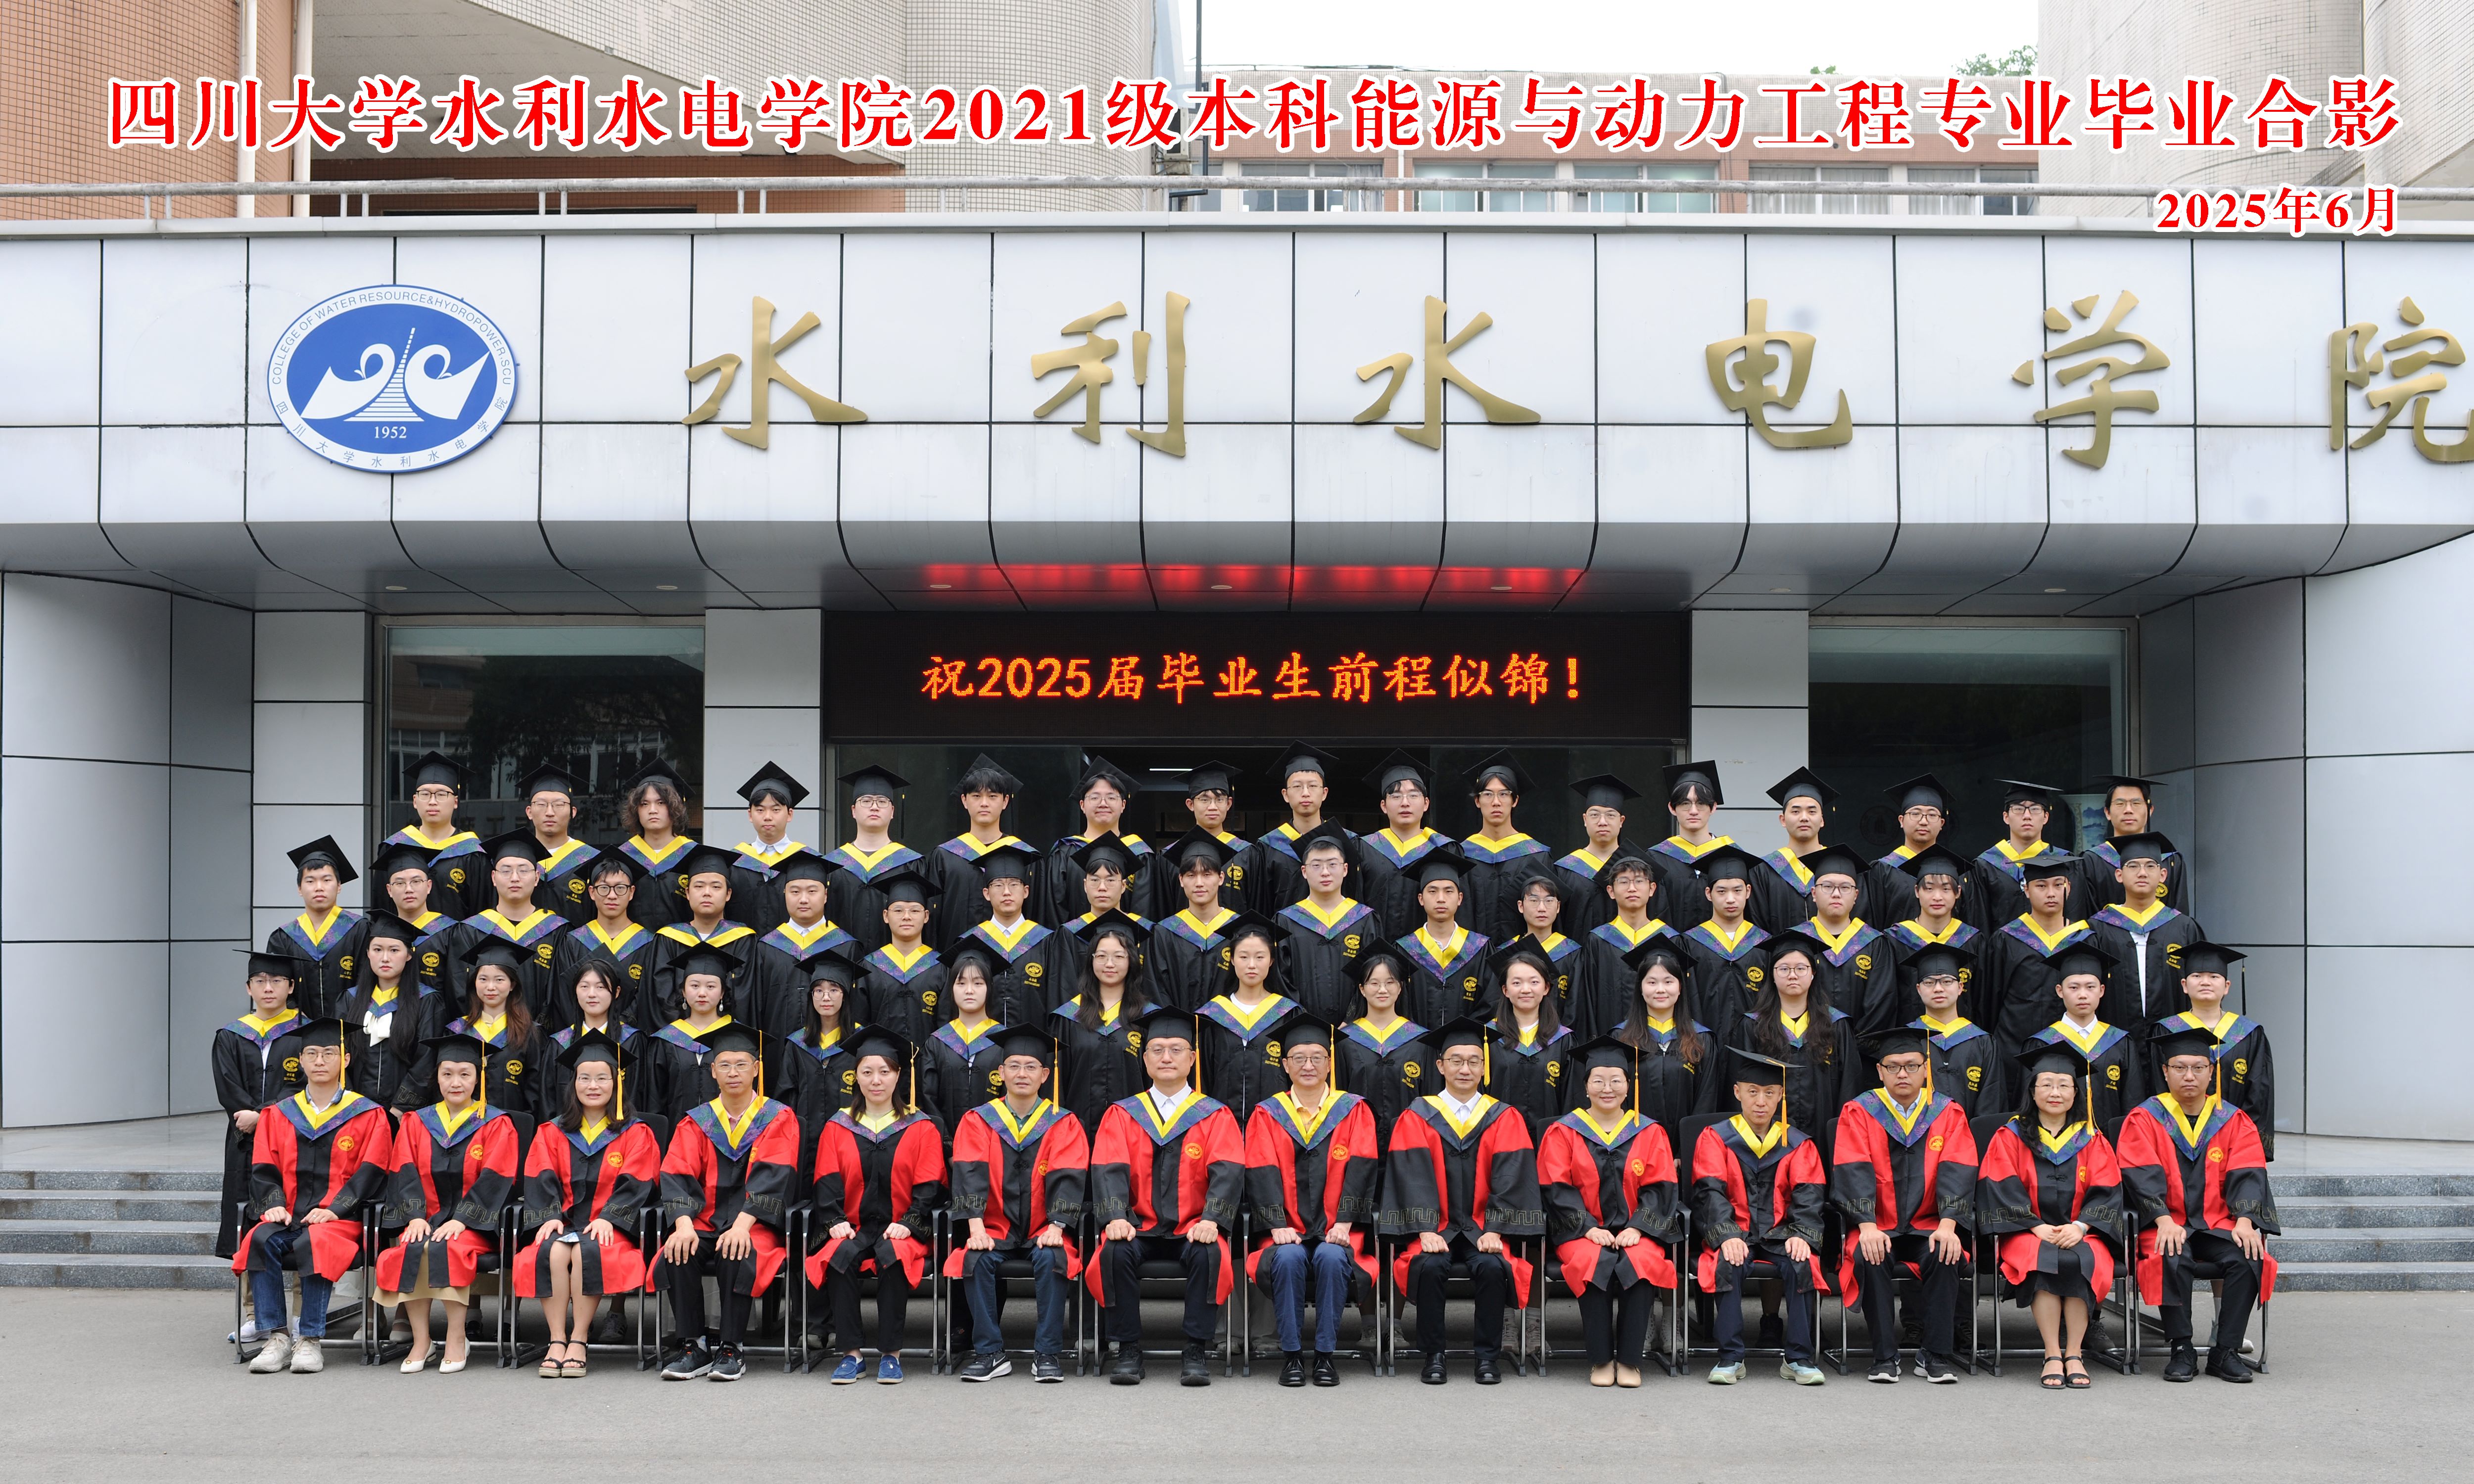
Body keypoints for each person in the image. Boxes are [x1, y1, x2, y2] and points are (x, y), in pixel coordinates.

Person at [1381, 1015, 1545, 1385]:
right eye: (1456, 1061)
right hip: (1435, 1228)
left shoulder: (1504, 1117)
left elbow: (1512, 1177)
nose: (1465, 1069)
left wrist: (1496, 1230)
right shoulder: (1417, 1115)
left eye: (1473, 1061)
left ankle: (1487, 1358)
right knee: (1430, 1267)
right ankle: (1434, 1356)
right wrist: (1425, 1229)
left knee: (1492, 1267)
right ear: (1441, 1066)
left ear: (1484, 1068)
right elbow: (1411, 1174)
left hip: (1482, 1228)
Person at [1090, 1006, 1246, 1385]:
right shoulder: (1123, 1114)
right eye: (1157, 1050)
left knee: (1209, 1253)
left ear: (1192, 1059)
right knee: (1114, 1252)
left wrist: (1212, 1219)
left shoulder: (1214, 1115)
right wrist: (1116, 1217)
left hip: (1194, 1226)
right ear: (1144, 1060)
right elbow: (1108, 1167)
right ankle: (1128, 1349)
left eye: (1176, 1049)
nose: (1166, 1057)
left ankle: (1196, 1349)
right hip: (1138, 1227)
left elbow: (1228, 1170)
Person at [2115, 1023, 2280, 1382]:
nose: (2189, 1076)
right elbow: (2138, 1173)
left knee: (2248, 1256)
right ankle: (2182, 1348)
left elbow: (2249, 1171)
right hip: (2167, 1222)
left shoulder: (2233, 1120)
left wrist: (2246, 1220)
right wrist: (2162, 1219)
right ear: (2165, 1072)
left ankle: (2226, 1350)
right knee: (2170, 1253)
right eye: (2180, 1067)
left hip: (2218, 1223)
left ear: (2211, 1071)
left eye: (2198, 1067)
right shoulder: (2145, 1119)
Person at [236, 1015, 395, 1375]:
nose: (320, 1061)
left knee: (316, 1240)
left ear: (345, 1059)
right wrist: (274, 1204)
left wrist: (336, 1209)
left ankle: (309, 1339)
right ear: (301, 1060)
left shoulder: (368, 1115)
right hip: (290, 1214)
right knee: (260, 1238)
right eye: (312, 1054)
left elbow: (373, 1171)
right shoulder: (279, 1114)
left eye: (329, 1053)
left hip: (341, 1221)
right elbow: (263, 1167)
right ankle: (277, 1337)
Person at [1975, 1040, 2128, 1391]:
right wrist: (2035, 1226)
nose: (2055, 1092)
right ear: (2032, 1091)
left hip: (2083, 1231)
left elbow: (2108, 1187)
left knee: (2079, 1260)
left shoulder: (2091, 1138)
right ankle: (2052, 1353)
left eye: (2063, 1085)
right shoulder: (2010, 1136)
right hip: (2026, 1232)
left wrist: (2081, 1226)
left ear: (2076, 1093)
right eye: (2046, 1084)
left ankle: (2074, 1353)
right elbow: (1999, 1184)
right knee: (2045, 1261)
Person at [1829, 1027, 1978, 1384]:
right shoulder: (1860, 1111)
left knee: (1947, 1254)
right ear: (1879, 1071)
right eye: (1893, 1067)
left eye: (1912, 1066)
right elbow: (1852, 1168)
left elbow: (1958, 1168)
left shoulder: (1947, 1112)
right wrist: (1867, 1225)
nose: (1903, 1074)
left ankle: (1935, 1355)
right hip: (1877, 1224)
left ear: (1926, 1069)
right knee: (1870, 1256)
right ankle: (1884, 1356)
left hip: (1929, 1225)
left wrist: (1949, 1225)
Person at [657, 1021, 801, 1381]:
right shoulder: (698, 1121)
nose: (733, 1072)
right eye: (724, 1065)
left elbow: (775, 1175)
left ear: (757, 1068)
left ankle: (731, 1347)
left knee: (737, 1249)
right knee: (678, 1249)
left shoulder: (777, 1117)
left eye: (741, 1064)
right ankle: (693, 1346)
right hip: (704, 1220)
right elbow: (677, 1172)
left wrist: (741, 1226)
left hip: (756, 1224)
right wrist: (683, 1225)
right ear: (713, 1072)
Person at [514, 1029, 662, 1379]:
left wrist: (610, 1217)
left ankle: (579, 1339)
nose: (593, 1086)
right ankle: (556, 1339)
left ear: (616, 1083)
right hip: (564, 1223)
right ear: (574, 1083)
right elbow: (539, 1174)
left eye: (602, 1078)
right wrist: (549, 1216)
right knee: (551, 1250)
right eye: (584, 1078)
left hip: (610, 1228)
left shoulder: (636, 1132)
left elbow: (639, 1180)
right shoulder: (552, 1131)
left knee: (585, 1250)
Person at [1244, 1011, 1380, 1387]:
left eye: (1317, 1057)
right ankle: (1292, 1356)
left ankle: (1324, 1356)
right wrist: (1277, 1225)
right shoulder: (1267, 1114)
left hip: (1339, 1229)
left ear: (1329, 1063)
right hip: (1285, 1230)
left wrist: (1345, 1223)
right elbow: (1260, 1169)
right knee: (1288, 1258)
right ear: (1285, 1065)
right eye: (1299, 1058)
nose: (1308, 1066)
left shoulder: (1354, 1110)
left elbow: (1362, 1167)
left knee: (1332, 1257)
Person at [1538, 1035, 1682, 1388]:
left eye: (1616, 1081)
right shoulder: (1563, 1132)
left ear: (1628, 1086)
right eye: (1598, 1081)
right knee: (1592, 1260)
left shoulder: (1649, 1131)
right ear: (1586, 1086)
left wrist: (1639, 1227)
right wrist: (1588, 1228)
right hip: (1581, 1231)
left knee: (1642, 1259)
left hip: (1637, 1229)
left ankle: (1631, 1360)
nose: (1607, 1089)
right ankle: (1601, 1359)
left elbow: (1661, 1185)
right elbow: (1555, 1186)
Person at [375, 1030, 522, 1374]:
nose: (456, 1082)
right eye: (448, 1074)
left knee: (448, 1247)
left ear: (477, 1078)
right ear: (437, 1077)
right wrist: (415, 1216)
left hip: (475, 1225)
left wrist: (462, 1219)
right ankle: (422, 1341)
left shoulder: (497, 1124)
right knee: (410, 1247)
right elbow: (404, 1170)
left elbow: (497, 1178)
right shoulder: (416, 1122)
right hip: (427, 1219)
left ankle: (457, 1337)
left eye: (465, 1074)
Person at [948, 1024, 1089, 1382]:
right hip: (995, 1227)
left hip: (1045, 1228)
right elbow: (969, 1172)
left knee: (1053, 1258)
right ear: (1001, 1073)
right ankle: (990, 1353)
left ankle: (1048, 1353)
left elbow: (1069, 1175)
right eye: (1014, 1066)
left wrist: (1057, 1226)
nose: (1022, 1073)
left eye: (1030, 1067)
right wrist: (976, 1227)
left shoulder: (1063, 1122)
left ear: (1045, 1075)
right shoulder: (978, 1120)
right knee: (975, 1258)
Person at [805, 1025, 945, 1384]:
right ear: (856, 1077)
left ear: (898, 1075)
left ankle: (890, 1355)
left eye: (884, 1071)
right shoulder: (839, 1126)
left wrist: (911, 1222)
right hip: (854, 1224)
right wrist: (834, 1220)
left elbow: (930, 1183)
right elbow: (825, 1178)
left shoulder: (921, 1127)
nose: (876, 1080)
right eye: (867, 1072)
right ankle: (851, 1355)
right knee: (839, 1254)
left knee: (893, 1255)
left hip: (902, 1225)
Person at [1691, 1047, 1828, 1386]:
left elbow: (1809, 1194)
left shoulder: (1798, 1143)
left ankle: (1799, 1358)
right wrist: (1727, 1235)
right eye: (1753, 1092)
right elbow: (1709, 1191)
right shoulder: (1716, 1138)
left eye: (1769, 1093)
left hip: (1781, 1233)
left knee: (1801, 1262)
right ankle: (1731, 1357)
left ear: (1781, 1095)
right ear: (1737, 1092)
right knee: (1728, 1262)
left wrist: (1802, 1234)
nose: (1761, 1101)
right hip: (1736, 1230)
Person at [214, 947, 310, 1262]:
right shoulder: (231, 1035)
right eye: (260, 981)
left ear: (291, 986)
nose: (268, 988)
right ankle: (249, 1289)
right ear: (248, 988)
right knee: (245, 1209)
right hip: (245, 1136)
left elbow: (306, 1083)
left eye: (277, 981)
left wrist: (263, 1115)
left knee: (296, 1204)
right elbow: (228, 1084)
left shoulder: (307, 1033)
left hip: (294, 1133)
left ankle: (298, 1288)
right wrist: (250, 1116)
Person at [1723, 930, 1858, 1144]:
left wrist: (1842, 1139)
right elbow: (1739, 1085)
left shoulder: (1836, 1025)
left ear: (1813, 973)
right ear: (1772, 975)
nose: (1792, 975)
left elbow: (1849, 1084)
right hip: (1767, 1136)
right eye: (1784, 969)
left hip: (1825, 1134)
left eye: (1801, 969)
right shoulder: (1752, 1025)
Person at [2148, 941, 2275, 1159]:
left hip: (2235, 1142)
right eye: (2197, 976)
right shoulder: (2166, 1030)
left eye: (2214, 976)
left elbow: (2259, 1095)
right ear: (2184, 985)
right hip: (2176, 1140)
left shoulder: (2249, 1034)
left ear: (2227, 986)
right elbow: (2157, 1087)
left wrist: (2246, 1143)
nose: (2205, 982)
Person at [398, 939, 547, 1117]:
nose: (490, 987)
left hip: (511, 1125)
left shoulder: (530, 1033)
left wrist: (524, 1126)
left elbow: (535, 1091)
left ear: (512, 985)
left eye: (499, 980)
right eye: (483, 979)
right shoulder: (456, 1030)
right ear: (474, 983)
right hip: (464, 1127)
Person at [2026, 942, 2151, 1138]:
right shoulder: (2043, 1043)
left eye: (2090, 987)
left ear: (2102, 990)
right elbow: (2028, 1106)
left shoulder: (2120, 1042)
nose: (2083, 995)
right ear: (2060, 991)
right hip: (2056, 1146)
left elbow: (2132, 1102)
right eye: (2074, 987)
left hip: (2112, 1144)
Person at [2087, 832, 2205, 1039]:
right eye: (2133, 866)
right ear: (2119, 875)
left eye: (2151, 866)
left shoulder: (2184, 928)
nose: (2142, 873)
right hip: (2114, 1041)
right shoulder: (2099, 928)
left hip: (2173, 1041)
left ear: (2163, 875)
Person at [1977, 851, 2094, 1055]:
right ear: (2027, 890)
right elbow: (1990, 1002)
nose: (2051, 893)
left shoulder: (2084, 938)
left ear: (2068, 888)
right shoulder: (2007, 939)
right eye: (2041, 886)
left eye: (2058, 885)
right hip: (2014, 1049)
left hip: (2071, 1050)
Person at [744, 847, 857, 1060]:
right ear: (784, 894)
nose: (803, 899)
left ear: (825, 895)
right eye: (795, 892)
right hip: (775, 1052)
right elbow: (755, 1009)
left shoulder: (845, 945)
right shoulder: (767, 947)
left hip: (835, 1057)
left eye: (812, 892)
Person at [449, 828, 564, 1027]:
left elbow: (561, 994)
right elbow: (459, 990)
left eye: (523, 870)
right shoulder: (471, 931)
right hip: (482, 1038)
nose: (515, 878)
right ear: (494, 878)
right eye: (506, 870)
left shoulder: (556, 931)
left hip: (540, 1038)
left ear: (537, 877)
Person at [1051, 916, 1151, 1136]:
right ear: (1091, 960)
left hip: (1134, 1134)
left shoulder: (1147, 1018)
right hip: (1077, 1133)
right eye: (1102, 956)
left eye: (1119, 956)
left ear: (1132, 960)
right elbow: (1058, 1084)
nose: (1109, 964)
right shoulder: (1068, 1017)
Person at [1612, 939, 1719, 1140]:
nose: (1660, 989)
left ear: (1680, 987)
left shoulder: (1701, 1039)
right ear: (1640, 988)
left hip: (1687, 1150)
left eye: (1668, 982)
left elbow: (1706, 1099)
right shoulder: (1621, 1038)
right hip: (1635, 1147)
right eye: (1652, 982)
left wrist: (1689, 1148)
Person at [644, 842, 759, 1026]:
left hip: (727, 1037)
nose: (707, 893)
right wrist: (687, 1030)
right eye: (699, 886)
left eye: (716, 887)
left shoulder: (744, 939)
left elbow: (744, 996)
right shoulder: (668, 939)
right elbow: (661, 996)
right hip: (678, 1039)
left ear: (728, 894)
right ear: (688, 893)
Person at [1787, 843, 1896, 1038]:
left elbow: (1882, 1005)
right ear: (1814, 894)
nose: (1836, 893)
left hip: (1862, 1050)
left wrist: (1852, 1046)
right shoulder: (1797, 940)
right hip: (1806, 1046)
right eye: (1828, 887)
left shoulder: (1875, 944)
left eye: (1845, 887)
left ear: (1856, 896)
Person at [1570, 851, 1679, 1043]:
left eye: (1639, 881)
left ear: (1652, 889)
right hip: (1610, 1042)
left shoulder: (1669, 939)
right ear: (1611, 891)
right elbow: (1587, 998)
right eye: (1624, 882)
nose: (1632, 888)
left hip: (1662, 1045)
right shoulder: (1598, 940)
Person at [1333, 949, 1436, 1152]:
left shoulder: (1421, 1041)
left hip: (1410, 1146)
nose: (1383, 990)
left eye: (1390, 983)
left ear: (1400, 988)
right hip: (1358, 1147)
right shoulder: (1345, 1041)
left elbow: (1430, 1099)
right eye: (1374, 983)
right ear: (1362, 989)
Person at [1195, 916, 1295, 1122]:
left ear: (1271, 961)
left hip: (1275, 1125)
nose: (1252, 965)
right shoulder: (1212, 1016)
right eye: (1243, 957)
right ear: (1232, 960)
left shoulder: (1287, 1013)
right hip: (1221, 1125)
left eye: (1260, 957)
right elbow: (1205, 1075)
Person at [1276, 828, 1380, 1024]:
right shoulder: (1287, 921)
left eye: (1333, 864)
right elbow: (1281, 979)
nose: (1325, 872)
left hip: (1357, 1028)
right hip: (1303, 1030)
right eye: (1316, 866)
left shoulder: (1364, 919)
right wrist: (1303, 1022)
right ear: (1304, 872)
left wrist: (1352, 1019)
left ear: (1345, 869)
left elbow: (1373, 973)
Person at [1035, 754, 1153, 928]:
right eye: (1095, 797)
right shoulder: (1065, 852)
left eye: (1111, 798)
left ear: (1123, 805)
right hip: (1073, 942)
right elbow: (1055, 912)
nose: (1103, 804)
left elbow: (1144, 910)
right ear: (1082, 805)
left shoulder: (1139, 853)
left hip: (1125, 942)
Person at [778, 948, 863, 1182]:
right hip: (805, 1143)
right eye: (819, 991)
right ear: (811, 996)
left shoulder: (861, 1042)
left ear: (845, 995)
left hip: (852, 1139)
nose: (826, 998)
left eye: (834, 990)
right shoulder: (797, 1045)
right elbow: (787, 1096)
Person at [340, 912, 438, 1108]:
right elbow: (339, 1053)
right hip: (356, 1108)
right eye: (377, 950)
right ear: (368, 953)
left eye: (394, 950)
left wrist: (401, 1107)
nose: (385, 958)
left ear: (409, 955)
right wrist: (353, 1104)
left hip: (405, 1113)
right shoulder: (350, 1000)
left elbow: (427, 1059)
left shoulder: (426, 1001)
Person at [933, 754, 1032, 949]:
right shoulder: (945, 856)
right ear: (964, 801)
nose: (984, 803)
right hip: (956, 958)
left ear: (1005, 801)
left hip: (1014, 958)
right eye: (976, 796)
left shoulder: (1023, 855)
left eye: (993, 796)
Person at [548, 855, 657, 1030]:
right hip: (582, 1038)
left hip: (631, 1039)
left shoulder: (649, 943)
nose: (612, 896)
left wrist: (622, 1031)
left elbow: (647, 997)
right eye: (604, 888)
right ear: (592, 892)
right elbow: (564, 997)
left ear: (631, 892)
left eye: (620, 888)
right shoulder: (573, 942)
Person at [642, 943, 750, 1120]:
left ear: (722, 993)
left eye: (711, 987)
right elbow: (655, 1100)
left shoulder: (737, 1036)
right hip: (675, 1132)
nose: (702, 993)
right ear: (684, 991)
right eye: (694, 986)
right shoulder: (666, 1040)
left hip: (728, 1131)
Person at [1672, 845, 1770, 1035]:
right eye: (1722, 892)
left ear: (1748, 891)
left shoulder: (1764, 944)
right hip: (1703, 1042)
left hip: (1756, 1041)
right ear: (1709, 894)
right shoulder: (1690, 943)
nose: (1730, 899)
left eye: (1737, 891)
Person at [1881, 843, 1980, 1027]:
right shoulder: (1895, 939)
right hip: (1908, 1037)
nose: (1937, 897)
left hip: (1961, 1037)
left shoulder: (1972, 940)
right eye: (1929, 889)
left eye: (1945, 889)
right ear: (1917, 891)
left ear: (1958, 892)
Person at [1458, 751, 1551, 943]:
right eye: (1488, 794)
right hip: (1474, 955)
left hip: (1525, 955)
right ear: (1477, 801)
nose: (1496, 802)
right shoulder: (1463, 854)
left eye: (1504, 794)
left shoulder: (1536, 855)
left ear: (1515, 801)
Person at [1392, 844, 1489, 1027]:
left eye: (1449, 891)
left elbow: (1491, 1002)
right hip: (1415, 1042)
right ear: (1421, 899)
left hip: (1466, 1043)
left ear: (1460, 899)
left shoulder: (1480, 948)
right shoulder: (1405, 950)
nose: (1441, 899)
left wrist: (1465, 1035)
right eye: (1433, 891)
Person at [1250, 742, 1351, 917]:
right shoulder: (1269, 846)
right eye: (1297, 786)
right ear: (1285, 795)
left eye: (1313, 786)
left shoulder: (1346, 841)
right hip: (1283, 932)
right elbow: (1262, 904)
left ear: (1324, 793)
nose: (1305, 793)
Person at [269, 836, 364, 1019]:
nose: (319, 887)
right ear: (300, 889)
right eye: (310, 881)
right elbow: (277, 986)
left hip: (352, 1025)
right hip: (299, 1028)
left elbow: (368, 980)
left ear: (339, 886)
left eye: (327, 880)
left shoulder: (359, 929)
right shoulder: (284, 937)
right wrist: (298, 1017)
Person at [1485, 942, 1573, 1137]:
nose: (1526, 990)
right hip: (1500, 1140)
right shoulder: (1488, 1038)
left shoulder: (1563, 1039)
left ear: (1546, 988)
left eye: (1534, 982)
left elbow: (1570, 1099)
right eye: (1517, 983)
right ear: (1505, 990)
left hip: (1551, 1141)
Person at [918, 945, 1007, 1136]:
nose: (969, 991)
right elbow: (928, 1098)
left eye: (978, 983)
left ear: (990, 988)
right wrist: (946, 1143)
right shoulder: (937, 1043)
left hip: (995, 1144)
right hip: (944, 1148)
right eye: (961, 983)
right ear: (951, 989)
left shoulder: (1004, 1040)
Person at [1357, 752, 1448, 939]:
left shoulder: (1443, 849)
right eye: (1396, 796)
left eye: (1413, 795)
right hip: (1374, 948)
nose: (1405, 803)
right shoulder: (1364, 849)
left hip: (1427, 950)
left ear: (1426, 804)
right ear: (1384, 806)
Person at [1908, 945, 2005, 1121]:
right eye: (1929, 982)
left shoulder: (1982, 1041)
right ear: (1919, 989)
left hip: (1971, 1136)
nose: (1938, 989)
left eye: (1947, 981)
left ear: (1960, 987)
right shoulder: (1908, 1038)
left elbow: (1991, 1100)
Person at [958, 841, 1051, 1023]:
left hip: (1032, 1038)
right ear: (987, 894)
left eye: (1014, 885)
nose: (1007, 892)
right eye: (998, 885)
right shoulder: (971, 941)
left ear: (1026, 891)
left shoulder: (1046, 941)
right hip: (983, 1039)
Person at [387, 750, 487, 919]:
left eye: (441, 794)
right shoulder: (395, 847)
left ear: (455, 802)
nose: (432, 802)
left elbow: (482, 912)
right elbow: (384, 907)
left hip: (459, 936)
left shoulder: (473, 852)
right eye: (425, 794)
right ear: (415, 801)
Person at [1151, 759, 1254, 921]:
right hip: (1183, 936)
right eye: (1204, 800)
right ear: (1191, 804)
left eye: (1219, 799)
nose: (1213, 807)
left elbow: (1257, 907)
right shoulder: (1170, 857)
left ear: (1229, 804)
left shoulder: (1247, 853)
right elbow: (1163, 910)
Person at [856, 866, 950, 1043]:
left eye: (915, 910)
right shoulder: (870, 968)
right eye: (898, 910)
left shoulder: (940, 968)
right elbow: (860, 1024)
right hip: (881, 1059)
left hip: (929, 1058)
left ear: (926, 916)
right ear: (886, 916)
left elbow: (946, 1025)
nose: (906, 917)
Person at [1149, 829, 1239, 1011]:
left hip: (1228, 1027)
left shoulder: (1238, 929)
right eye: (1191, 875)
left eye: (1207, 875)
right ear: (1181, 880)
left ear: (1221, 878)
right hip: (1179, 1027)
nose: (1199, 883)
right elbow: (1158, 990)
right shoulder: (1165, 933)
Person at [2071, 775, 2186, 917]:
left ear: (2150, 810)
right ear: (2107, 812)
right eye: (2120, 804)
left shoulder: (2170, 860)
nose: (2128, 810)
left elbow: (2180, 917)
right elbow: (2084, 917)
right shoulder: (2091, 862)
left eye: (2136, 803)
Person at [1645, 761, 1737, 932]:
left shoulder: (1731, 855)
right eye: (1685, 804)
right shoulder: (1656, 858)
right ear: (1672, 808)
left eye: (1701, 803)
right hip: (1670, 947)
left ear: (1713, 807)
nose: (1693, 811)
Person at [544, 959, 644, 1116]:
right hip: (568, 1129)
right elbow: (547, 1104)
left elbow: (639, 1097)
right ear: (575, 991)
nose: (592, 994)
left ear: (616, 992)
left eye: (601, 987)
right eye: (584, 987)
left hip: (620, 1128)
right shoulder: (560, 1043)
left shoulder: (631, 1041)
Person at [726, 760, 813, 938]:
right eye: (760, 810)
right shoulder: (734, 861)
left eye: (776, 810)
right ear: (750, 815)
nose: (767, 817)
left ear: (789, 814)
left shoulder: (807, 861)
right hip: (743, 950)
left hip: (792, 950)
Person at [369, 839, 463, 1002]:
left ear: (429, 886)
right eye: (400, 883)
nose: (409, 889)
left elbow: (457, 990)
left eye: (416, 882)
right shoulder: (378, 935)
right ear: (389, 890)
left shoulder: (450, 932)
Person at [1969, 780, 2068, 929]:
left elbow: (2074, 911)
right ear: (2006, 817)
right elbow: (1980, 921)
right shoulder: (1986, 865)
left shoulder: (2063, 860)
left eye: (2035, 809)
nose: (2027, 816)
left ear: (2046, 817)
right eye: (2019, 809)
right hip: (2000, 944)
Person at [1554, 774, 1642, 940]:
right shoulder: (1565, 870)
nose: (1603, 822)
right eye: (1595, 815)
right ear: (1585, 819)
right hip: (1578, 954)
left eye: (1610, 815)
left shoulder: (1639, 869)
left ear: (1622, 821)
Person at [617, 758, 699, 932]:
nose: (652, 810)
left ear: (675, 807)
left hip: (682, 945)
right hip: (634, 946)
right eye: (644, 804)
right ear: (636, 810)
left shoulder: (694, 855)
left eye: (661, 803)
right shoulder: (622, 857)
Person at [1750, 768, 1835, 933]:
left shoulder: (1838, 867)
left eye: (1812, 811)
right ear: (1783, 820)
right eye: (1796, 812)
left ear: (1822, 820)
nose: (1804, 817)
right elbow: (1758, 929)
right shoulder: (1763, 871)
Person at [1865, 774, 1955, 926]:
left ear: (1942, 824)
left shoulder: (1955, 870)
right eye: (1916, 814)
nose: (1924, 821)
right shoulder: (1882, 870)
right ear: (1901, 821)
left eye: (1932, 815)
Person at [519, 762, 601, 929]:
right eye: (541, 804)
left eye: (559, 805)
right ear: (529, 812)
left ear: (573, 812)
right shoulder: (515, 859)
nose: (550, 812)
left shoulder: (591, 860)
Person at [1506, 874, 1582, 1018]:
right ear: (1521, 906)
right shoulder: (1507, 952)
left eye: (1549, 901)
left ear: (1558, 906)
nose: (1542, 908)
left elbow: (1576, 1007)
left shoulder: (1573, 953)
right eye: (1534, 901)